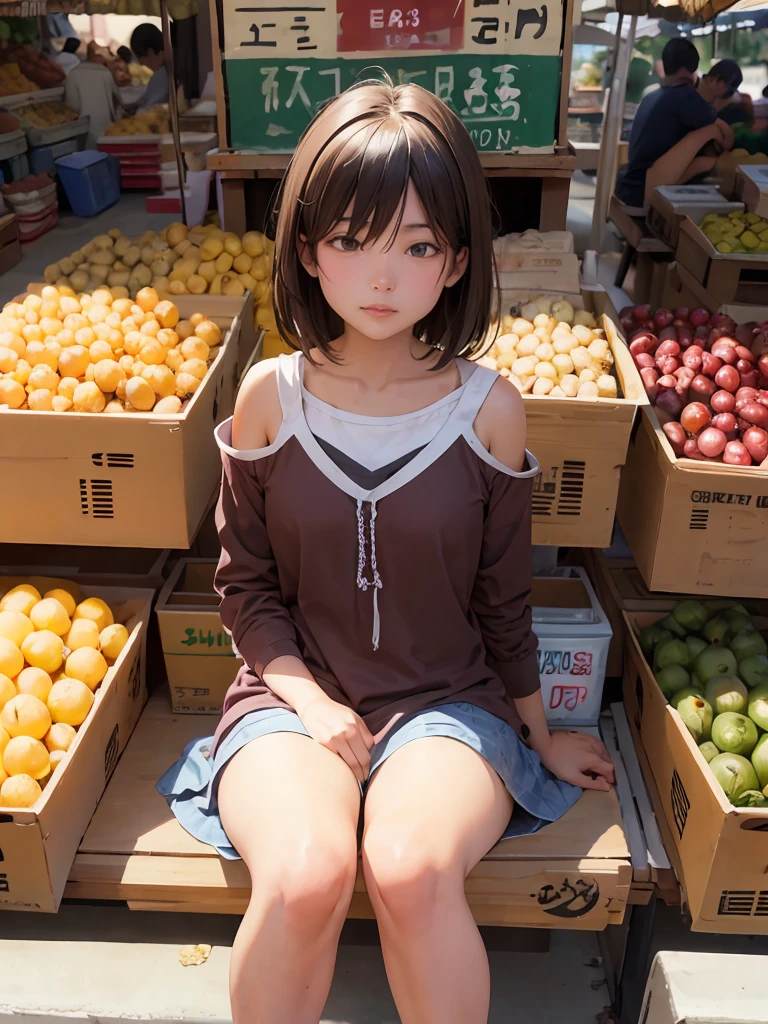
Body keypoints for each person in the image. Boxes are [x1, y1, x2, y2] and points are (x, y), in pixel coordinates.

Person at [157, 78, 615, 1024]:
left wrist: (538, 735)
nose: (381, 277)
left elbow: (503, 603)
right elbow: (245, 590)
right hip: (292, 702)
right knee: (305, 871)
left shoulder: (488, 408)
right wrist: (313, 701)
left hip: (448, 703)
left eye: (416, 247)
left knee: (407, 868)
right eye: (351, 241)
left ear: (454, 264)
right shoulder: (269, 397)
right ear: (308, 251)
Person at [617, 42, 741, 207]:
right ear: (691, 68)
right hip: (645, 190)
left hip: (629, 184)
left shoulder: (651, 95)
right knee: (712, 161)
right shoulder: (686, 97)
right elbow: (725, 138)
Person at [64, 50, 122, 148]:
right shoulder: (106, 74)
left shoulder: (73, 75)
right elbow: (119, 100)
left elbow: (70, 109)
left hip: (82, 137)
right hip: (106, 135)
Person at [129, 23, 168, 109]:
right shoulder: (165, 71)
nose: (144, 65)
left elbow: (147, 109)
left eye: (142, 61)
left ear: (150, 53)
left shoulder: (162, 74)